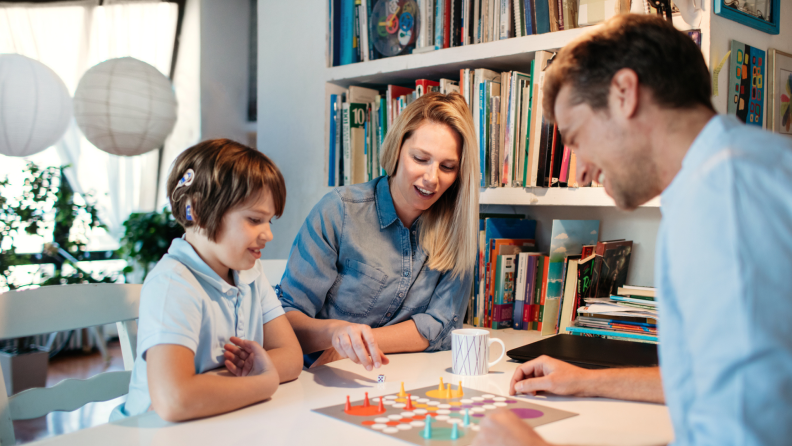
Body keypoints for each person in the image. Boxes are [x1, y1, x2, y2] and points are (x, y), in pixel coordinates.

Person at [473, 13, 792, 446]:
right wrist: (586, 380)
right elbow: (715, 380)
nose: (580, 171)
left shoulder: (720, 200)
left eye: (576, 136)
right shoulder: (749, 165)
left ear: (624, 92)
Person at [278, 93, 480, 370]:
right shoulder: (340, 211)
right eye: (421, 159)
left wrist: (359, 344)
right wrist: (336, 335)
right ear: (397, 149)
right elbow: (285, 319)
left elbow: (441, 324)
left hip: (402, 379)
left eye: (447, 167)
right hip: (318, 380)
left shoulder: (458, 229)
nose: (432, 179)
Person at [115, 139, 303, 422]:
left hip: (220, 421)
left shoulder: (251, 273)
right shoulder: (173, 285)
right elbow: (175, 400)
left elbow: (291, 358)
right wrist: (263, 382)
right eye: (254, 219)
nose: (268, 234)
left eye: (269, 221)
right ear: (200, 212)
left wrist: (209, 386)